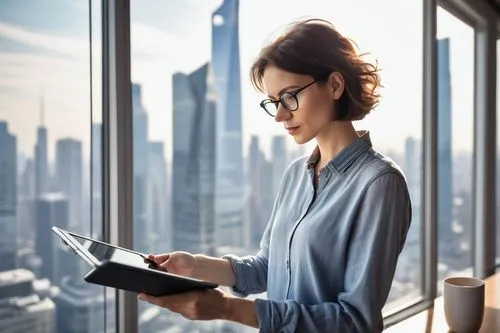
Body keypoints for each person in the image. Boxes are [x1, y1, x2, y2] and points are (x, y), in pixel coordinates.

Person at [138, 18, 412, 332]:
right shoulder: (296, 174)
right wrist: (195, 265)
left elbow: (355, 321)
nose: (280, 115)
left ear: (335, 85)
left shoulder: (379, 184)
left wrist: (228, 308)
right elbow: (270, 267)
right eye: (274, 102)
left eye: (290, 96)